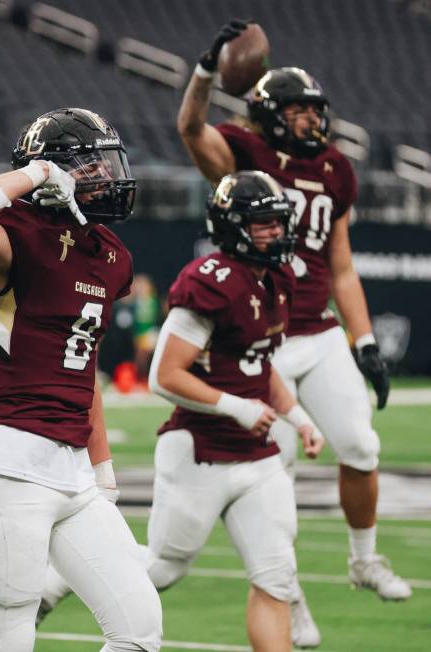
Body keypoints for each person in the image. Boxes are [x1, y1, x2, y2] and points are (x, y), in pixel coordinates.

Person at [176, 20, 411, 648]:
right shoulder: (243, 151)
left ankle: (363, 559)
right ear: (269, 115)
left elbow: (340, 263)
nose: (312, 120)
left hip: (320, 328)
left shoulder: (336, 169)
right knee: (270, 474)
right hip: (264, 336)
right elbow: (191, 129)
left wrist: (364, 344)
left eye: (316, 110)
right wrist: (205, 71)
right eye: (300, 110)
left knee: (361, 444)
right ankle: (292, 597)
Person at [0, 107, 162, 652]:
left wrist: (103, 470)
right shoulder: (14, 234)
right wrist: (37, 175)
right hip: (10, 462)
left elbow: (83, 368)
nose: (106, 178)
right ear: (52, 170)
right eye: (88, 168)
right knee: (5, 640)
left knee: (138, 628)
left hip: (73, 473)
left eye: (105, 166)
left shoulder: (110, 255)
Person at [146, 171, 324, 652]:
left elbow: (259, 363)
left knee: (276, 577)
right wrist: (238, 409)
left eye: (278, 221)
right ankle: (55, 587)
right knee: (162, 568)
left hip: (257, 457)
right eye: (263, 223)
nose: (277, 232)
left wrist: (301, 419)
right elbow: (165, 375)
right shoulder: (211, 281)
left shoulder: (277, 277)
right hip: (199, 450)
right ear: (233, 226)